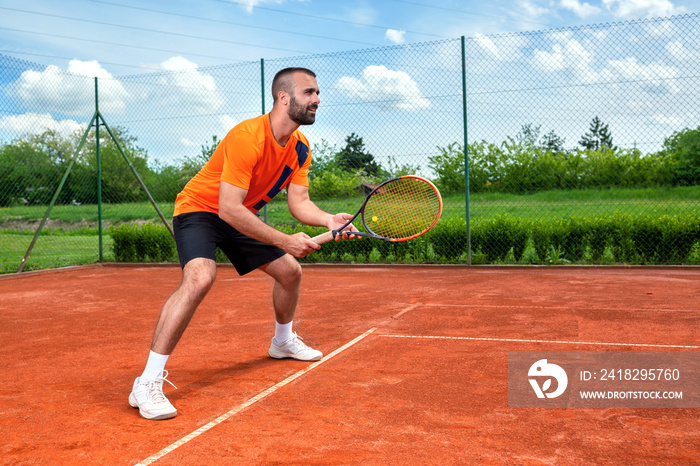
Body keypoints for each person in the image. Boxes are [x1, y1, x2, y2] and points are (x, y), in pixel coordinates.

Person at [129, 67, 357, 420]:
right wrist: (285, 239)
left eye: (317, 92)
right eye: (310, 92)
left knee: (290, 272)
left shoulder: (300, 147)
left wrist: (329, 219)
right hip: (201, 210)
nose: (317, 99)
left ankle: (282, 342)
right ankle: (146, 382)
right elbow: (227, 208)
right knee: (200, 277)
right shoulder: (247, 136)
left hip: (238, 213)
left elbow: (299, 203)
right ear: (284, 98)